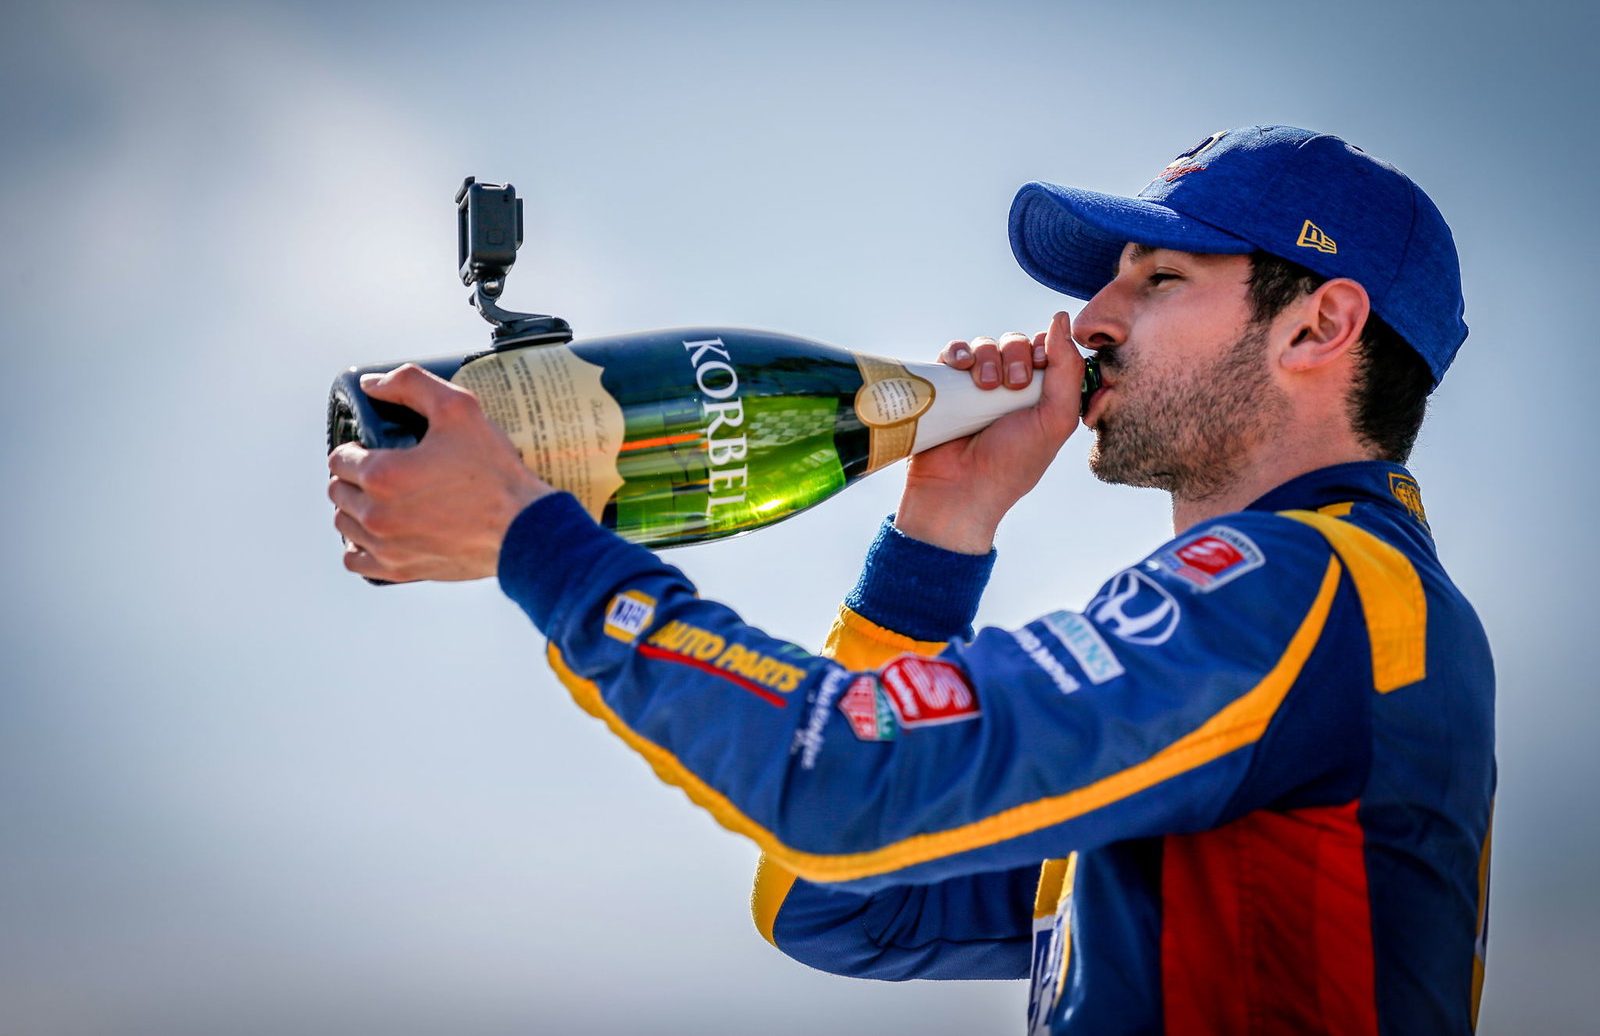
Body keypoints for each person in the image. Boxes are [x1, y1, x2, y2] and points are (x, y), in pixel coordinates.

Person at [327, 125, 1495, 1034]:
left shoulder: (1304, 584)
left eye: (1158, 279)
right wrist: (942, 530)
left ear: (1316, 326)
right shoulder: (1326, 616)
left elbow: (837, 785)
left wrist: (534, 543)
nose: (1091, 319)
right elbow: (840, 900)